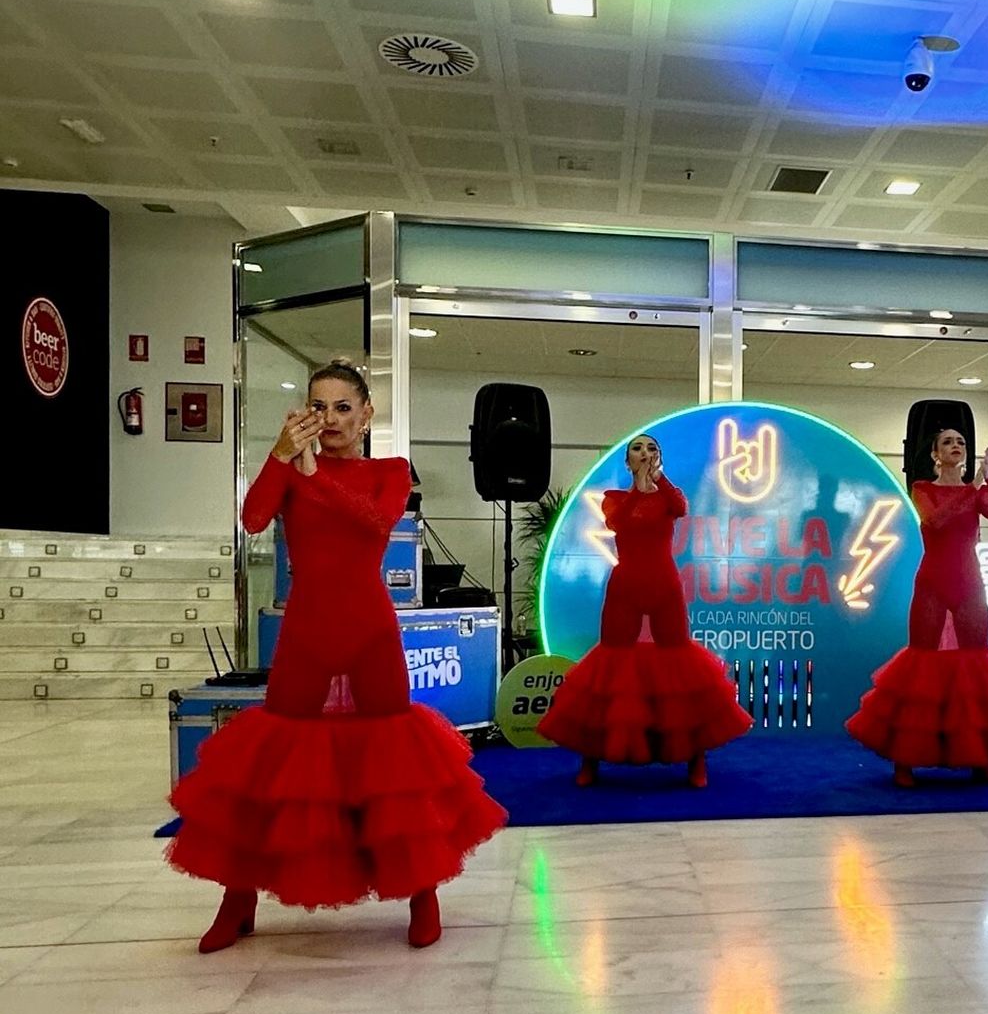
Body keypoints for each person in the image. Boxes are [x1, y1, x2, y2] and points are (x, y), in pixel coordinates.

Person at [168, 359, 506, 952]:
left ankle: (422, 896)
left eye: (342, 407)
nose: (329, 419)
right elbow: (251, 518)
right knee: (271, 773)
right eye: (318, 407)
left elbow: (376, 523)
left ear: (366, 413)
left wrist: (311, 473)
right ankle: (237, 901)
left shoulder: (390, 470)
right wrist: (280, 459)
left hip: (371, 633)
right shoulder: (289, 468)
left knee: (396, 773)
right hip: (306, 634)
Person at [538, 433, 752, 786]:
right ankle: (590, 761)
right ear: (627, 461)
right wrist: (639, 485)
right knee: (612, 662)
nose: (645, 453)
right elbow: (618, 522)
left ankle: (695, 761)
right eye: (637, 448)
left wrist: (658, 479)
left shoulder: (671, 496)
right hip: (626, 587)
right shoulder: (615, 499)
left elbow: (680, 508)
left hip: (665, 586)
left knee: (679, 664)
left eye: (652, 448)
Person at [846, 429, 988, 787]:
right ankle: (905, 761)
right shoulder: (923, 488)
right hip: (933, 583)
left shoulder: (975, 490)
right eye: (948, 443)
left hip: (970, 582)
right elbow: (936, 521)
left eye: (961, 443)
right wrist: (972, 486)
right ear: (935, 455)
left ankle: (982, 758)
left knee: (975, 662)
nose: (956, 447)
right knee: (922, 663)